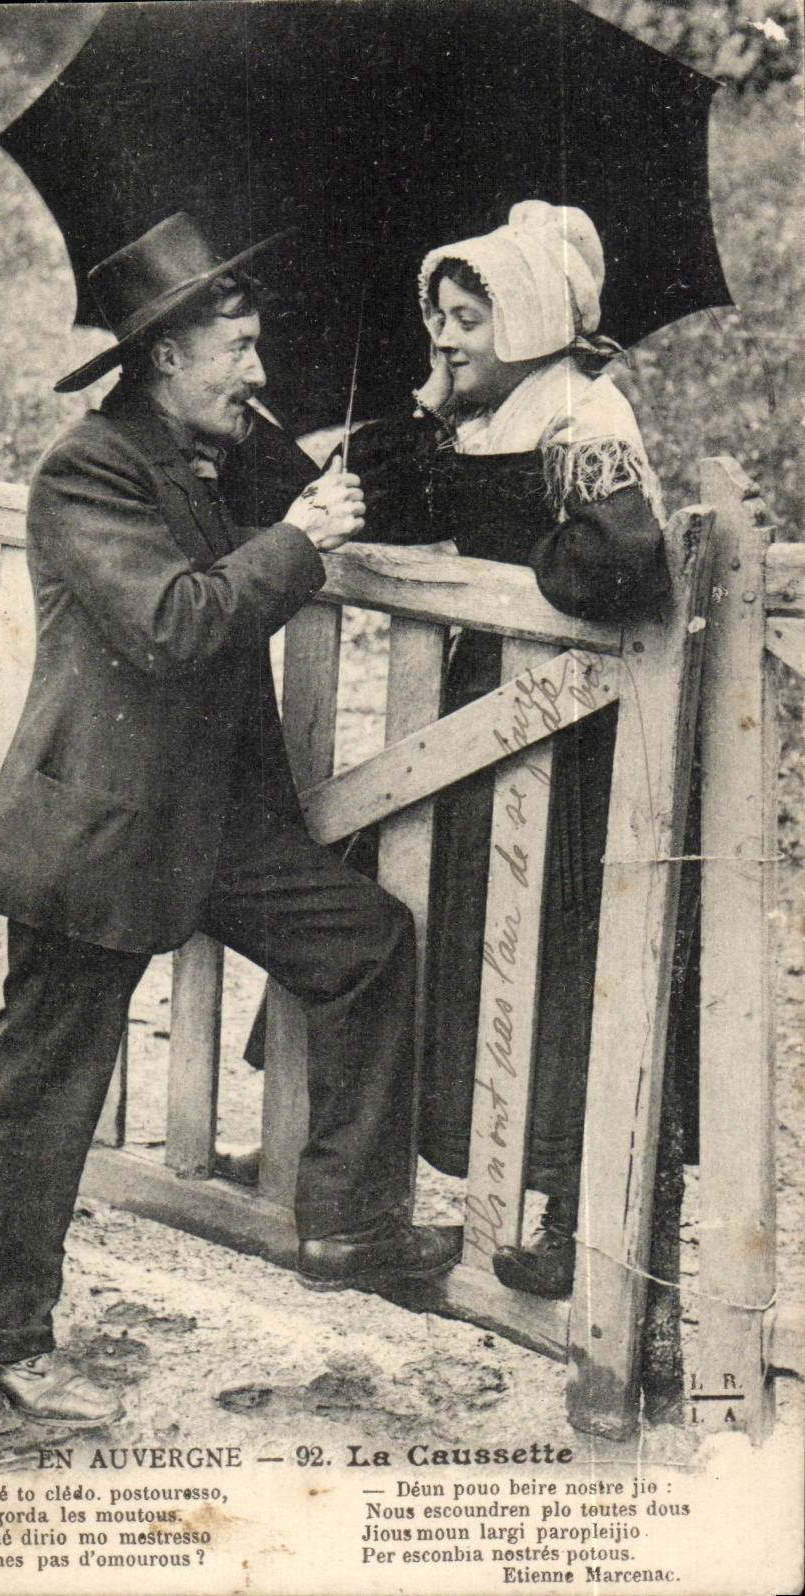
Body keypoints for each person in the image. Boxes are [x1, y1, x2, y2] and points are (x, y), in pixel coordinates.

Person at [0, 213, 461, 1426]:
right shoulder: (86, 468)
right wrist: (295, 537)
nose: (257, 371)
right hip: (101, 828)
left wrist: (431, 423)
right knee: (47, 1090)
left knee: (362, 941)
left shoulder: (215, 449)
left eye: (256, 347)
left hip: (207, 822)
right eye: (236, 347)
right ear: (166, 354)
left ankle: (344, 1224)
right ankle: (8, 1339)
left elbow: (338, 502)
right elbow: (177, 621)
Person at [348, 200, 676, 1299]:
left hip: (573, 732)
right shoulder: (485, 410)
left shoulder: (584, 416)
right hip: (484, 710)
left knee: (560, 954)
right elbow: (375, 497)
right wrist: (432, 403)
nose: (441, 338)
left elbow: (617, 567)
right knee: (428, 913)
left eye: (465, 324)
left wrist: (509, 544)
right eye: (435, 317)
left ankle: (569, 1217)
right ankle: (375, 1165)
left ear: (530, 321)